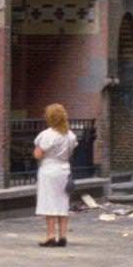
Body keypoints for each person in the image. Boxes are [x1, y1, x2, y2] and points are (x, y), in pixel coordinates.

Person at [34, 102, 78, 246]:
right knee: (62, 202)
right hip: (64, 169)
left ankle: (50, 236)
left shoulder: (48, 134)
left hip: (49, 169)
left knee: (49, 203)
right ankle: (63, 236)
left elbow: (38, 154)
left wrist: (36, 150)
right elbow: (72, 151)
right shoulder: (70, 135)